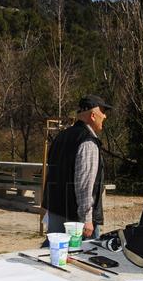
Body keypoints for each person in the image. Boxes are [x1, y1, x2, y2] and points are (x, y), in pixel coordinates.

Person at [42, 95, 111, 239]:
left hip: (56, 211)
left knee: (55, 255)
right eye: (103, 112)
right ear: (93, 115)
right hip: (76, 221)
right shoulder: (88, 142)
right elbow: (84, 185)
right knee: (82, 258)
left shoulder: (61, 137)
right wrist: (87, 219)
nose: (104, 116)